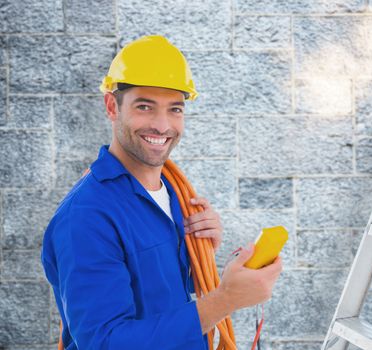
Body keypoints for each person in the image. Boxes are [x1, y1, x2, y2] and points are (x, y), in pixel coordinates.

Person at [41, 35, 283, 350]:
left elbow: (156, 290)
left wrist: (204, 256)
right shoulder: (86, 217)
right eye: (145, 106)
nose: (162, 125)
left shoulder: (170, 192)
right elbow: (105, 343)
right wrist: (225, 300)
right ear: (112, 106)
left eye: (175, 109)